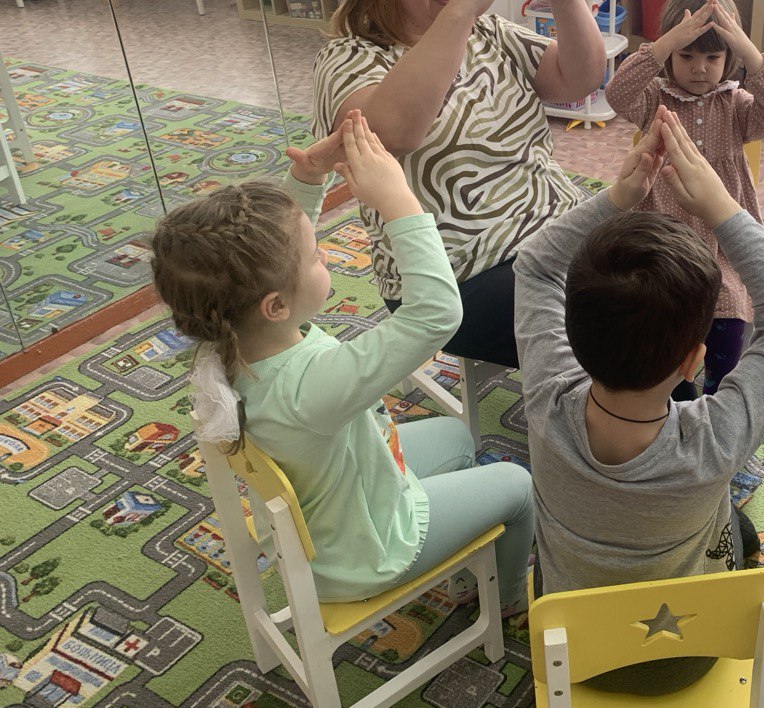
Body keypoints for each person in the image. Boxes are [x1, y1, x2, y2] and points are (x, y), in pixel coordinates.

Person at [150, 113, 534, 611]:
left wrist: (307, 179)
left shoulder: (229, 338)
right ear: (275, 306)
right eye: (315, 257)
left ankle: (461, 553)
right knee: (518, 486)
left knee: (457, 437)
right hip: (364, 555)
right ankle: (504, 601)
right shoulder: (311, 386)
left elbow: (270, 261)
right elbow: (436, 314)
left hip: (328, 505)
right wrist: (398, 201)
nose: (326, 256)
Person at [514, 107, 764, 692]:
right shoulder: (716, 441)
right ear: (693, 361)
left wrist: (616, 198)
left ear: (569, 337)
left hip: (573, 651)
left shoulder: (545, 396)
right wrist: (723, 207)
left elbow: (535, 266)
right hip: (685, 658)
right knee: (742, 530)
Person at [313, 0, 605, 368]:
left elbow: (581, 78)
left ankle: (675, 407)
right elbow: (393, 133)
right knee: (619, 329)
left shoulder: (486, 31)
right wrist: (462, 7)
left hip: (557, 227)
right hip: (458, 273)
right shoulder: (348, 59)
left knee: (670, 273)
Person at [604, 0, 764, 398]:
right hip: (663, 244)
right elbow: (616, 93)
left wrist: (747, 50)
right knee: (667, 340)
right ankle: (677, 400)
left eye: (712, 57)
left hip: (722, 245)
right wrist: (663, 45)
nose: (699, 68)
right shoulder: (654, 99)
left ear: (729, 58)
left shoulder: (736, 105)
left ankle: (715, 404)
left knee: (728, 331)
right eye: (686, 55)